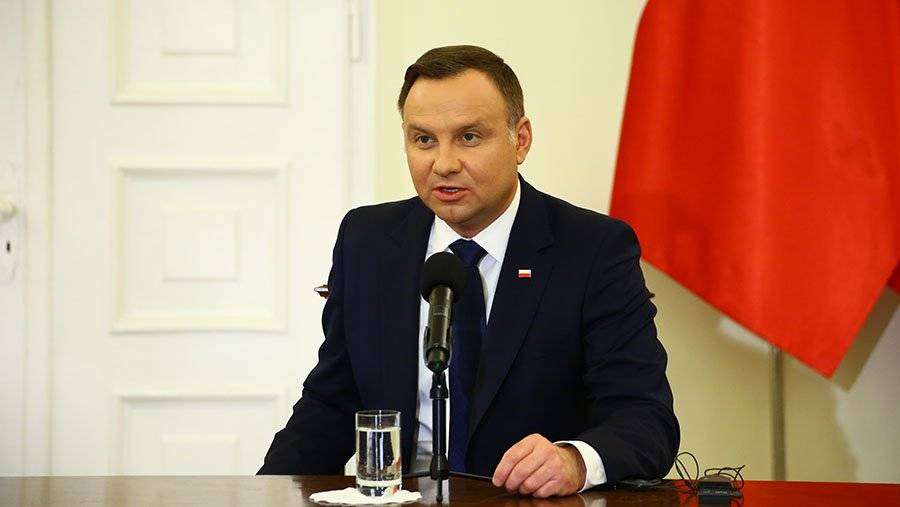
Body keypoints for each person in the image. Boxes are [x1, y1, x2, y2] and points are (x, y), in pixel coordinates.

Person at [258, 45, 679, 497]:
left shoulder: (592, 249)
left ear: (521, 140)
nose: (444, 164)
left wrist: (575, 461)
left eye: (469, 137)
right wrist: (262, 494)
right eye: (423, 140)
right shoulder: (368, 240)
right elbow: (331, 404)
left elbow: (645, 418)